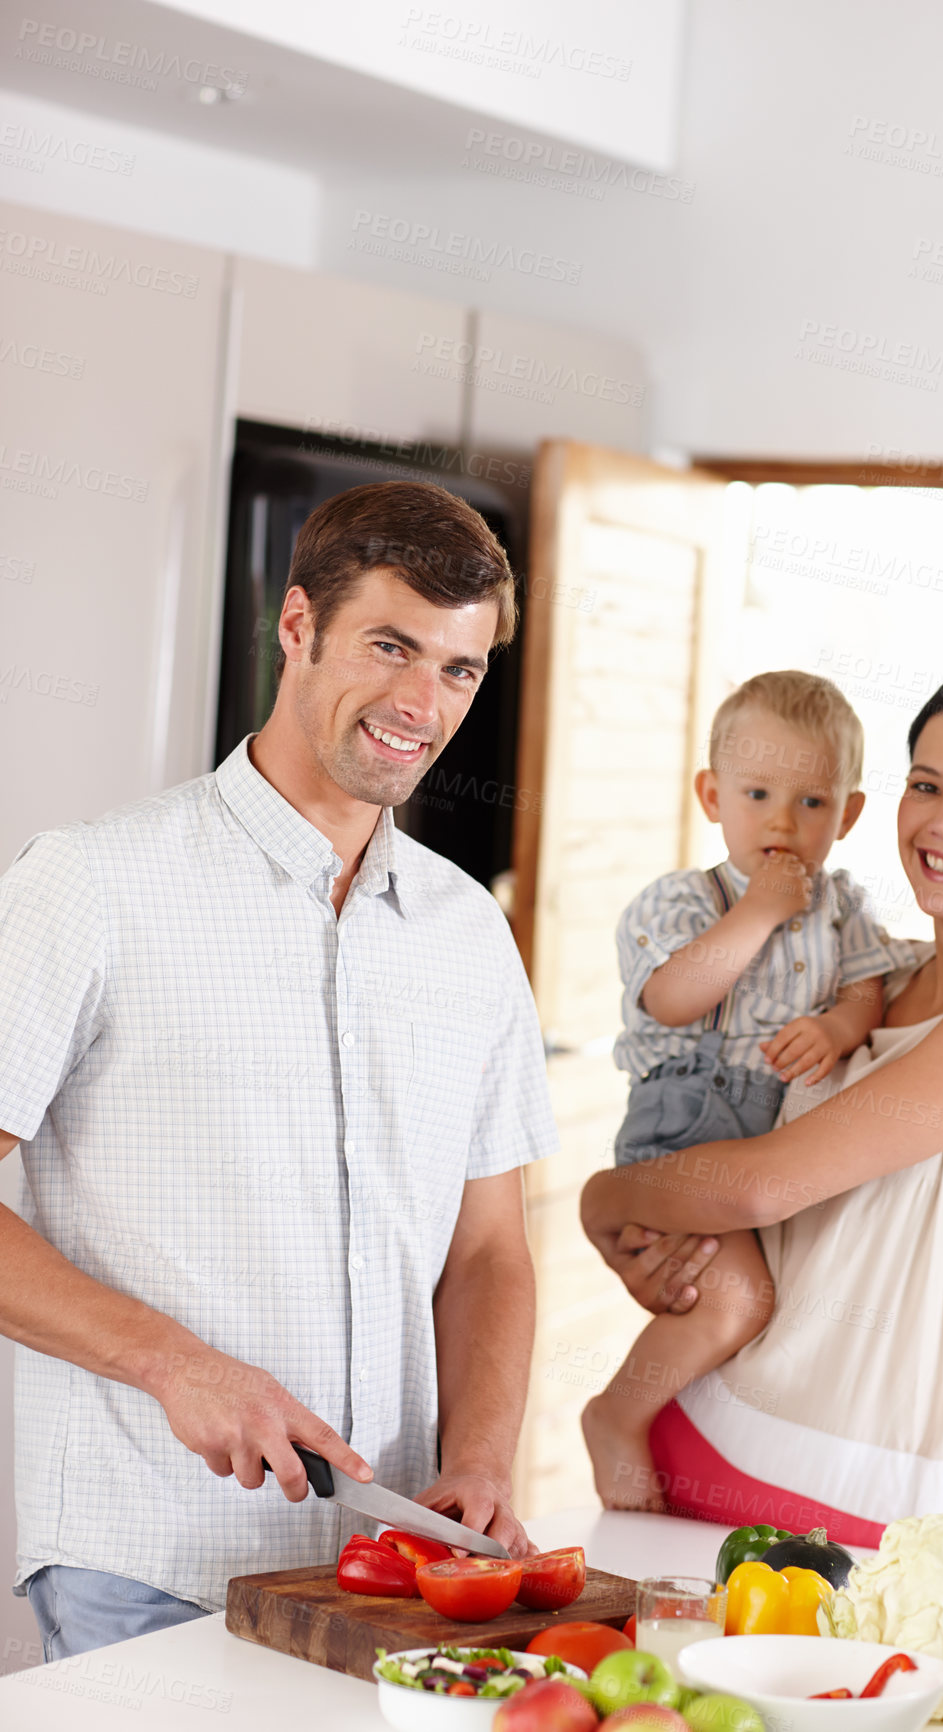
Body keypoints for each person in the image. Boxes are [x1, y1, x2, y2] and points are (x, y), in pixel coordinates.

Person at [0, 482, 557, 1659]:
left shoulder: (466, 933)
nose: (422, 702)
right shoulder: (91, 884)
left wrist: (479, 1456)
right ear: (296, 626)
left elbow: (489, 1248)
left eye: (458, 669)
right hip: (149, 1556)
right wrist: (176, 1365)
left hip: (386, 1576)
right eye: (391, 646)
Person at [581, 663, 943, 1542]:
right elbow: (747, 1215)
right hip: (697, 1437)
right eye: (928, 786)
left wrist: (604, 1202)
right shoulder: (862, 980)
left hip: (874, 1512)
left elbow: (762, 1186)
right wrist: (663, 1247)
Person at [582, 672, 916, 1508]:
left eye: (811, 802)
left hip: (768, 1144)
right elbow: (672, 996)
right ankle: (617, 1415)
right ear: (712, 796)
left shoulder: (846, 908)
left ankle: (698, 1455)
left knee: (753, 1308)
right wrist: (758, 913)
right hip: (688, 1124)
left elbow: (869, 985)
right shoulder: (685, 900)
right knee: (737, 1298)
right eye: (759, 793)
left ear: (847, 816)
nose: (781, 821)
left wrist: (842, 1026)